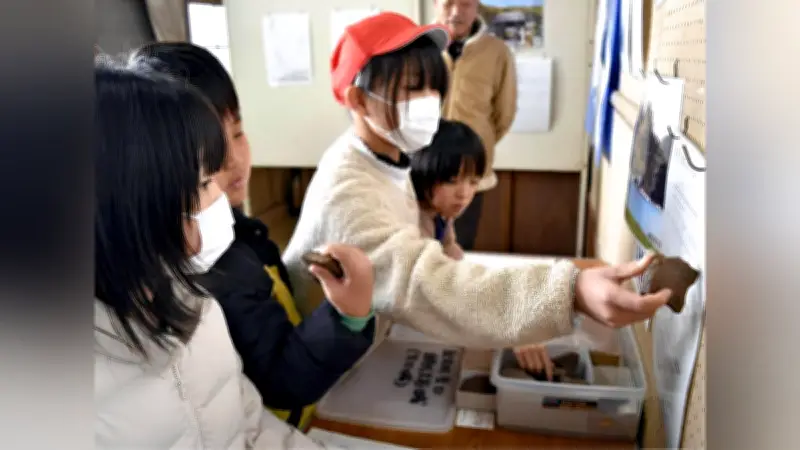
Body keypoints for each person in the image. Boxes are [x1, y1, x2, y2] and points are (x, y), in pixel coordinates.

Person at [282, 12, 671, 351]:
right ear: (358, 100)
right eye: (412, 86)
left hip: (370, 342)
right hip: (327, 376)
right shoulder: (348, 190)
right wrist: (570, 292)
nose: (429, 99)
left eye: (435, 86)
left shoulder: (389, 157)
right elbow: (430, 285)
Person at [94, 57, 338, 449]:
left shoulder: (196, 302)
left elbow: (250, 426)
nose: (218, 196)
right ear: (126, 207)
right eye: (204, 182)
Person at [131, 42, 375, 431]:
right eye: (207, 151)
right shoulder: (210, 265)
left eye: (238, 132)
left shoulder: (234, 230)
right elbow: (282, 379)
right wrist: (347, 317)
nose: (233, 159)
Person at [411, 118, 554, 377]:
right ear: (424, 170)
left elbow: (451, 252)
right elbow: (439, 289)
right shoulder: (412, 222)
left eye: (473, 181)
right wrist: (508, 326)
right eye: (452, 180)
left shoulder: (440, 211)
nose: (464, 194)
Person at [433, 0, 519, 250]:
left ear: (477, 6)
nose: (456, 12)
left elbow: (504, 114)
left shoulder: (497, 52)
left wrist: (478, 145)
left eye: (466, 4)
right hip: (423, 169)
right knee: (421, 244)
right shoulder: (419, 47)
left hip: (470, 174)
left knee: (461, 245)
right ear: (436, 4)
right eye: (448, 3)